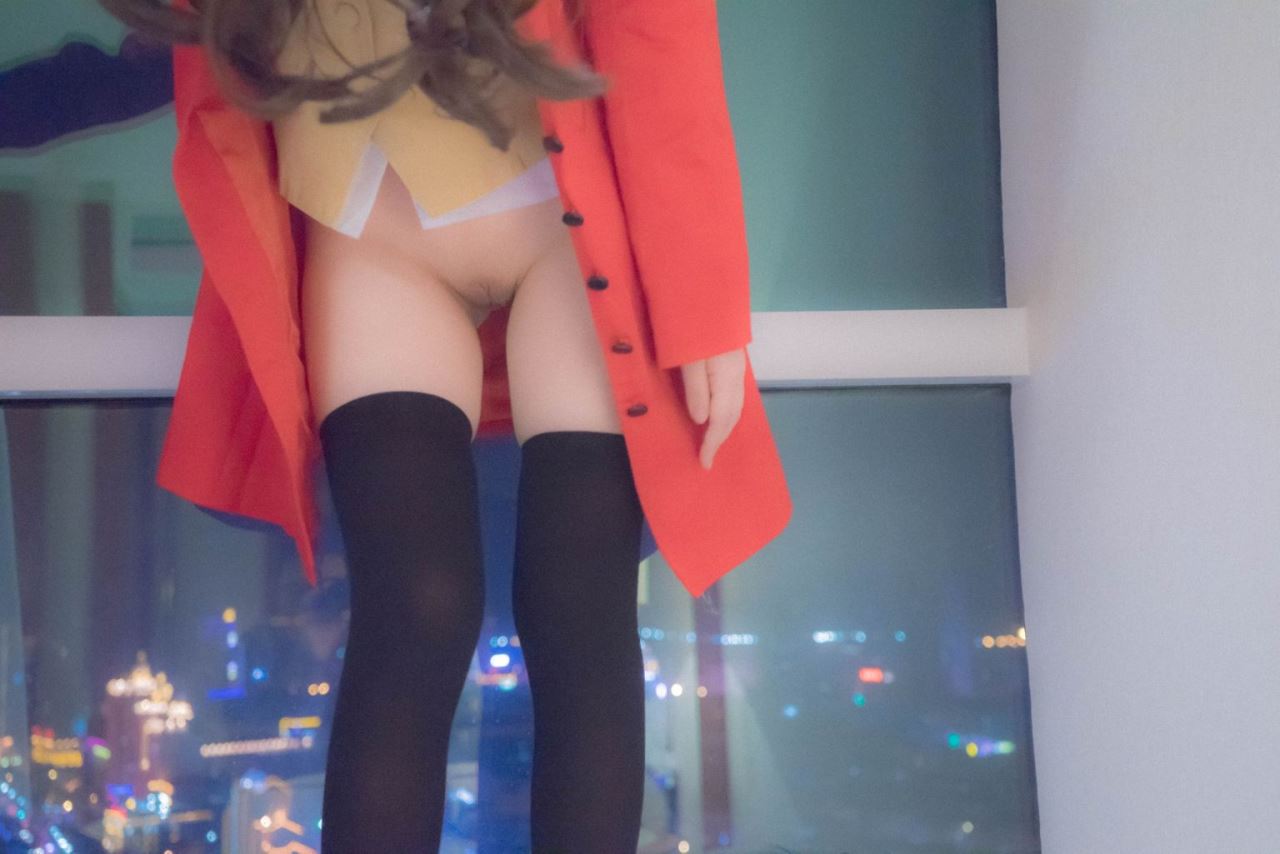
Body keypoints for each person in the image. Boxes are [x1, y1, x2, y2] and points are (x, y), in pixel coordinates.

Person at [97, 0, 793, 850]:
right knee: (414, 608)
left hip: (564, 218)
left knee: (580, 606)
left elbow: (656, 24)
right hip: (368, 220)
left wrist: (703, 296)